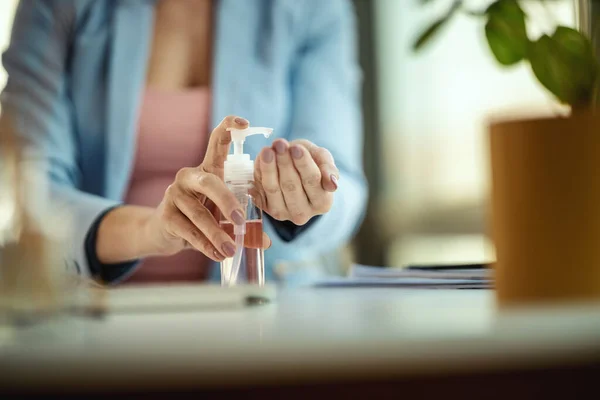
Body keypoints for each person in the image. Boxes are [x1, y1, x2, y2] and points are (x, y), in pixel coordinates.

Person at [0, 0, 367, 284]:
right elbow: (33, 191)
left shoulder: (311, 7)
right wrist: (153, 230)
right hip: (96, 318)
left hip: (267, 315)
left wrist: (307, 191)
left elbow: (345, 187)